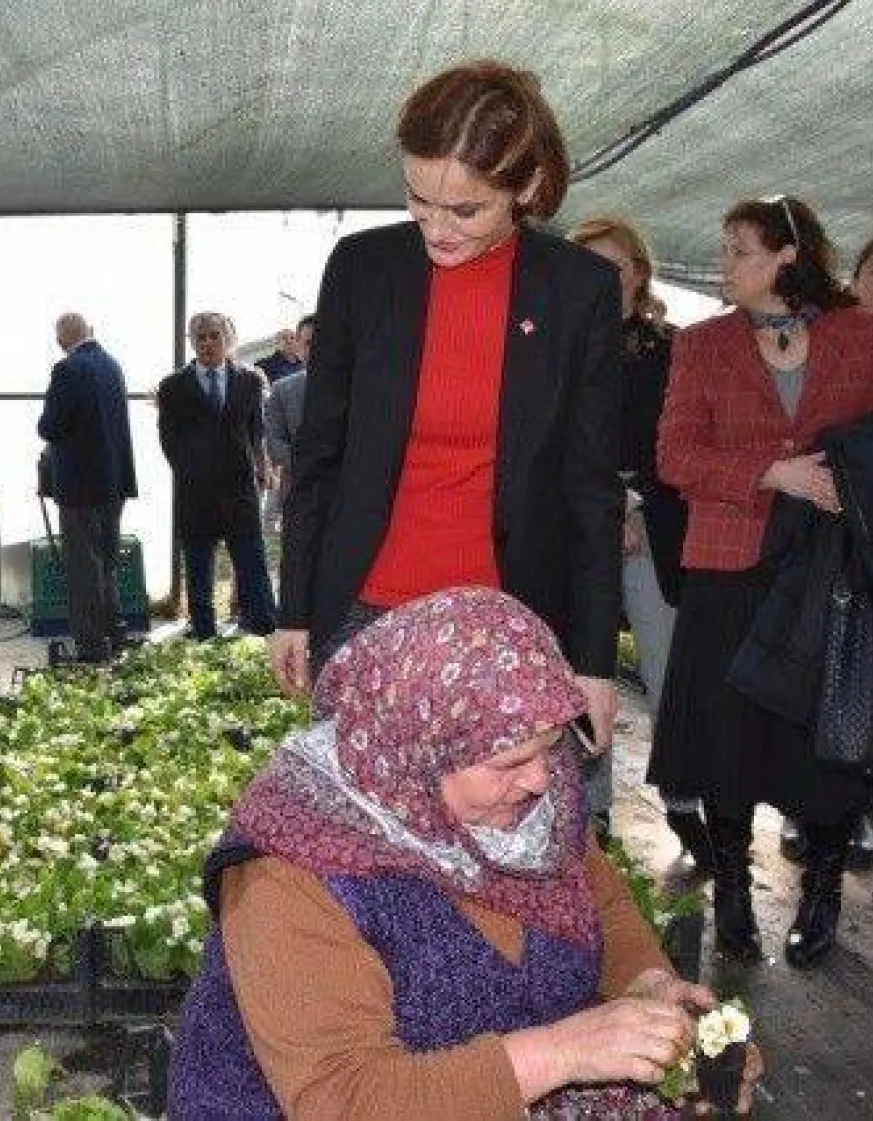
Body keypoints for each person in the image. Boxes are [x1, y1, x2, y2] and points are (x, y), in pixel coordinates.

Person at [170, 587, 762, 1119]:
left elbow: (598, 904)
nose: (541, 781)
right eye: (510, 762)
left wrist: (649, 986)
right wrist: (565, 1052)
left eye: (551, 747)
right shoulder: (291, 870)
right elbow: (343, 1100)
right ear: (420, 753)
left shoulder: (531, 808)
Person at [274, 60, 624, 761]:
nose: (436, 228)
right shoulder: (362, 269)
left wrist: (592, 658)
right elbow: (319, 455)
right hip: (365, 609)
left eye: (466, 209)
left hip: (509, 618)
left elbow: (591, 487)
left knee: (493, 838)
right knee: (366, 843)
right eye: (418, 200)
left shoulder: (578, 289)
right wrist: (296, 611)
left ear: (525, 187)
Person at [648, 195, 873, 968]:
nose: (724, 265)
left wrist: (843, 480)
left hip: (825, 569)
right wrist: (773, 473)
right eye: (723, 251)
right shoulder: (701, 344)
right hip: (729, 570)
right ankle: (732, 888)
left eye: (738, 250)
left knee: (822, 740)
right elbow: (675, 457)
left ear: (787, 255)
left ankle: (823, 888)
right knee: (728, 741)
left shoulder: (857, 333)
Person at [779, 231, 873, 870]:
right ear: (857, 280)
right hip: (831, 534)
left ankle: (861, 805)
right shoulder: (825, 339)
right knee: (820, 670)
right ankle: (811, 808)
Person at [567, 216, 701, 858]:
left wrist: (631, 499)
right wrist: (602, 499)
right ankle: (591, 813)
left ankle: (683, 800)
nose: (604, 282)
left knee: (666, 664)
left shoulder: (673, 349)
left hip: (654, 525)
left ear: (640, 273)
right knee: (580, 670)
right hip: (575, 527)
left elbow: (682, 442)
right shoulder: (552, 350)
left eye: (616, 267)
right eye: (590, 269)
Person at [158, 311, 276, 638]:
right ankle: (204, 636)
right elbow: (168, 439)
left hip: (239, 489)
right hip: (195, 492)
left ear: (228, 340)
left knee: (252, 564)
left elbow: (256, 432)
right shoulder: (173, 387)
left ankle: (265, 631)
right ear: (192, 343)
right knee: (198, 569)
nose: (207, 343)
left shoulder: (250, 381)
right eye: (200, 337)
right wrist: (189, 470)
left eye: (214, 335)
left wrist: (262, 467)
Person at [37, 312, 138, 662]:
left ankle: (92, 645)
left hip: (80, 485)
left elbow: (49, 426)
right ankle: (116, 631)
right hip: (115, 480)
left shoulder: (67, 370)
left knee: (83, 567)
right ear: (90, 331)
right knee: (106, 561)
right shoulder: (112, 364)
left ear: (61, 341)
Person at [261, 317, 315, 531]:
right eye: (309, 343)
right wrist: (309, 463)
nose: (317, 348)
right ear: (298, 347)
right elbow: (274, 443)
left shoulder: (355, 389)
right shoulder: (283, 390)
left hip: (345, 495)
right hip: (297, 494)